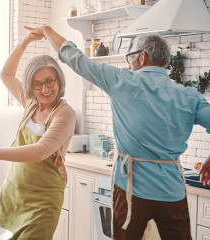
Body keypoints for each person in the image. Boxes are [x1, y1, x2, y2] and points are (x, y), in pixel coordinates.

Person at [25, 25, 210, 240]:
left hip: (132, 190)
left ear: (142, 57)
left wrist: (48, 30)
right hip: (172, 192)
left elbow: (75, 59)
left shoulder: (122, 80)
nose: (129, 64)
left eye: (130, 57)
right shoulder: (188, 95)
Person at [0, 31, 76, 239]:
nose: (45, 89)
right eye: (38, 84)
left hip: (43, 201)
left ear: (58, 81)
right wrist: (26, 41)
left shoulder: (64, 113)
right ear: (30, 86)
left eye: (50, 81)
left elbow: (40, 151)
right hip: (12, 194)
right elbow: (6, 75)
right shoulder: (30, 104)